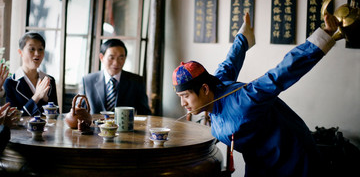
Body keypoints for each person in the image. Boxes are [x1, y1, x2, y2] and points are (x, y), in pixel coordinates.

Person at [172, 13, 339, 176]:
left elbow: (280, 74)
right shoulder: (218, 84)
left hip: (291, 158)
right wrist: (244, 36)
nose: (183, 103)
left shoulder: (243, 100)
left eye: (186, 96)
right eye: (180, 97)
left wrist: (323, 36)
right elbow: (231, 60)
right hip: (260, 162)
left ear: (205, 89)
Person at [80, 39, 151, 115]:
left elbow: (145, 113)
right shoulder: (88, 81)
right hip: (94, 126)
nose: (116, 63)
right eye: (111, 57)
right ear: (101, 57)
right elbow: (78, 110)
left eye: (121, 58)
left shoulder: (136, 81)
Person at [4, 32, 58, 116]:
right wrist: (36, 97)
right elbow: (12, 118)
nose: (37, 54)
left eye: (40, 49)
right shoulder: (10, 83)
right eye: (32, 49)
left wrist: (45, 100)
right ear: (20, 52)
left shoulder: (49, 80)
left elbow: (56, 116)